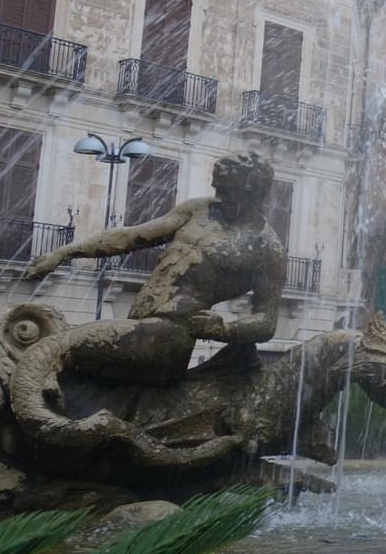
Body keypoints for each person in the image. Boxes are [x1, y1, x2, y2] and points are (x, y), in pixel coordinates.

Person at [16, 152, 286, 404]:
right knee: (60, 364)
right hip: (139, 325)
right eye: (217, 186)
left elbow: (267, 320)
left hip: (170, 337)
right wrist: (64, 252)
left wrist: (224, 330)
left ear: (250, 190)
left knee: (52, 350)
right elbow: (132, 236)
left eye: (225, 189)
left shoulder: (267, 248)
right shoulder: (200, 209)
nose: (218, 193)